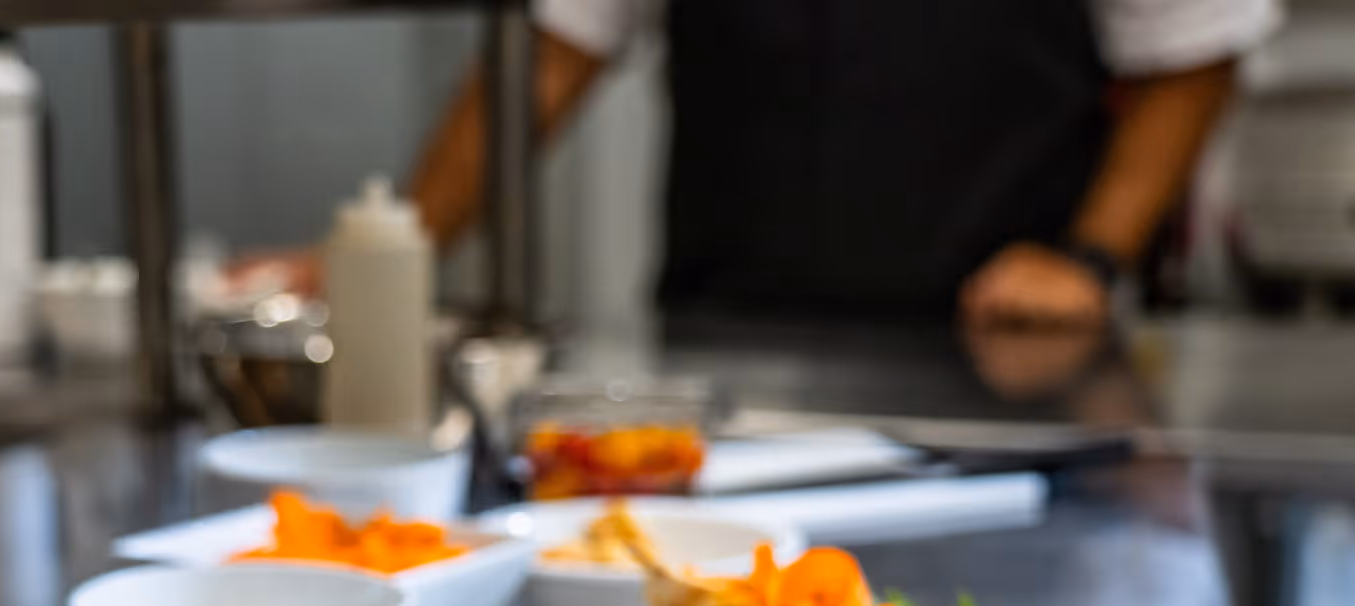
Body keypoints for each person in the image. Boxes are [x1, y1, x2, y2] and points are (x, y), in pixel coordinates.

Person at [262, 0, 1276, 336]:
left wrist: (1092, 261)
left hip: (998, 356)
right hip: (726, 348)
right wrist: (384, 255)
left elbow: (1193, 48)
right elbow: (550, 58)